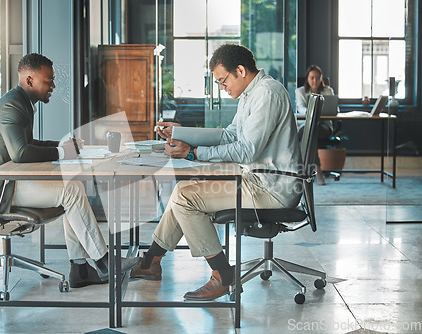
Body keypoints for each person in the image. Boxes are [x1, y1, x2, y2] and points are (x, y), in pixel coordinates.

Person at [130, 44, 303, 301]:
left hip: (271, 189)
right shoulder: (251, 94)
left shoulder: (267, 94)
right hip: (258, 180)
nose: (222, 88)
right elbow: (229, 135)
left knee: (186, 197)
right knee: (183, 191)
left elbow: (247, 150)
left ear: (240, 71)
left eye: (223, 81)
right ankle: (150, 262)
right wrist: (182, 133)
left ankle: (222, 275)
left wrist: (193, 153)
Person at [0, 53, 139, 289]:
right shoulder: (11, 105)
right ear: (29, 80)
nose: (53, 86)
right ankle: (105, 261)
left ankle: (80, 269)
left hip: (9, 179)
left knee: (72, 190)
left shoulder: (21, 102)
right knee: (71, 191)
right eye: (48, 81)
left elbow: (27, 144)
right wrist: (62, 153)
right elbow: (21, 153)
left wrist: (62, 147)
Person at [295, 65, 337, 185]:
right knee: (311, 131)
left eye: (318, 78)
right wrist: (312, 112)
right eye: (312, 78)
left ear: (321, 78)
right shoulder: (300, 91)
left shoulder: (328, 91)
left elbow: (335, 109)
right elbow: (301, 108)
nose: (315, 81)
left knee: (310, 131)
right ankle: (318, 171)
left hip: (324, 127)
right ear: (307, 78)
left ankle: (305, 172)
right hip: (306, 126)